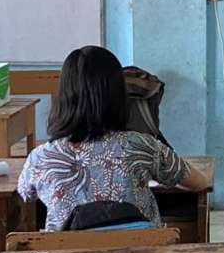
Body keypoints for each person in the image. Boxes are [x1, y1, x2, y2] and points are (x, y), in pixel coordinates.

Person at [18, 45, 210, 233]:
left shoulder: (41, 157)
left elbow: (26, 193)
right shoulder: (141, 146)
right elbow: (200, 183)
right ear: (119, 96)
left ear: (64, 97)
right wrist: (161, 174)